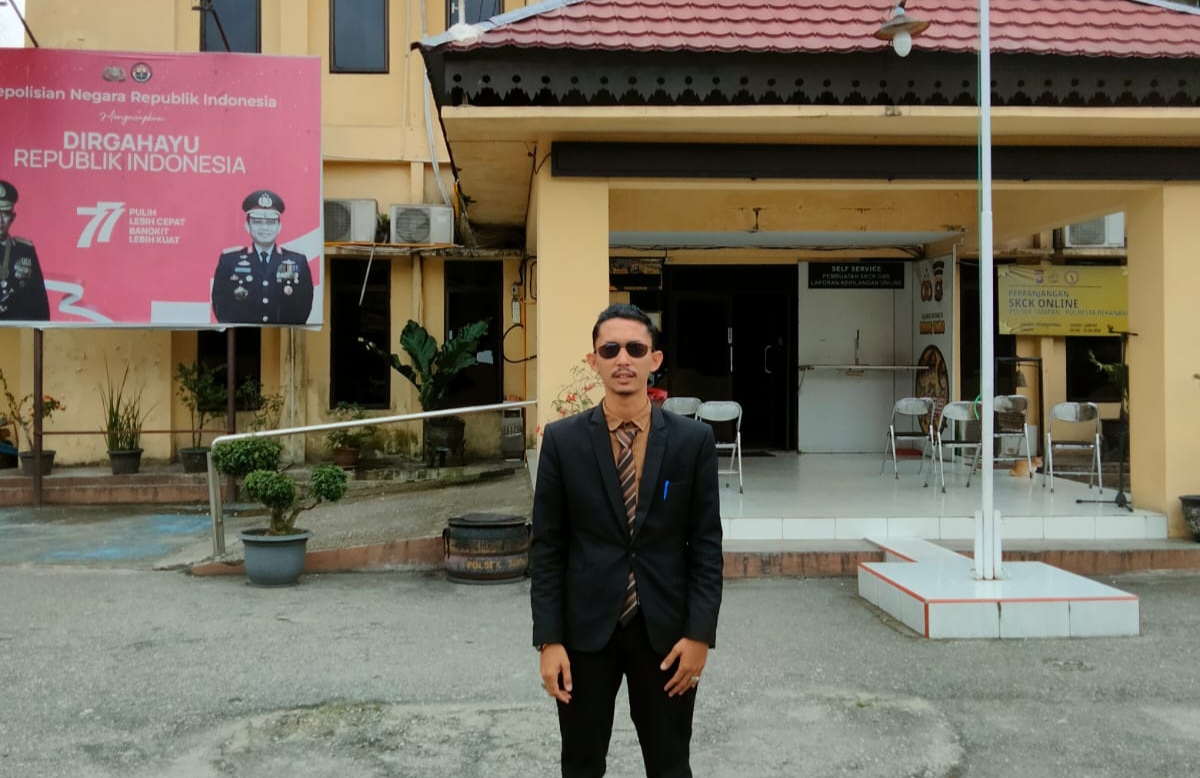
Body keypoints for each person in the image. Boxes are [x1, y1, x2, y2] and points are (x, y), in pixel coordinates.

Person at [531, 303, 723, 778]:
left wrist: (700, 635)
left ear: (654, 359)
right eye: (610, 349)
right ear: (593, 360)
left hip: (667, 635)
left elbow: (705, 547)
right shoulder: (562, 442)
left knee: (670, 764)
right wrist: (549, 640)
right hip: (584, 634)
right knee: (581, 764)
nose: (623, 359)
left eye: (635, 349)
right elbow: (548, 548)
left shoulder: (692, 442)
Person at [211, 189, 314, 324]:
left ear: (279, 227)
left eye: (271, 222)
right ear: (247, 226)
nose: (264, 228)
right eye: (257, 222)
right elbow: (220, 303)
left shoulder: (297, 260)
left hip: (281, 330)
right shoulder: (229, 260)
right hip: (242, 332)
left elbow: (304, 303)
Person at [0, 180, 50, 322]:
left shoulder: (25, 250)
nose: (0, 220)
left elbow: (40, 301)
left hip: (18, 329)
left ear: (12, 217)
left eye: (5, 213)